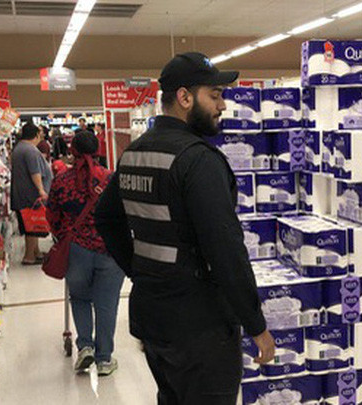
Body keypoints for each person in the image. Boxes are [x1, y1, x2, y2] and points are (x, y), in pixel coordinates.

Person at [95, 52, 275, 404]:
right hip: (200, 327)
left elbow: (106, 217)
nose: (222, 105)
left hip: (154, 318)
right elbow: (225, 252)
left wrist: (141, 270)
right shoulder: (198, 160)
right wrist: (256, 325)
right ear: (184, 97)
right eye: (215, 95)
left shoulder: (135, 153)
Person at [46, 131, 124, 376]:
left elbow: (52, 215)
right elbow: (123, 213)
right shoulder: (111, 178)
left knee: (79, 298)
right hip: (109, 250)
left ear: (72, 151)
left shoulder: (61, 180)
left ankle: (85, 347)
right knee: (106, 304)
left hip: (76, 250)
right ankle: (104, 359)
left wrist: (63, 236)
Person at [10, 122, 49, 265]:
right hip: (30, 195)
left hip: (23, 193)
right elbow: (35, 172)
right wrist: (41, 190)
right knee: (31, 227)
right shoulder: (30, 150)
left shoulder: (19, 148)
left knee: (33, 224)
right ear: (36, 135)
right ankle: (29, 256)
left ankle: (36, 252)